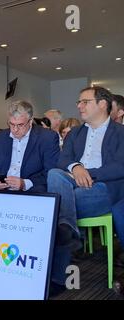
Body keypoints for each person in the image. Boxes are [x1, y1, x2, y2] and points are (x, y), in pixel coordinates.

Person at [47, 86, 124, 296]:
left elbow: (120, 166)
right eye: (78, 102)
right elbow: (62, 160)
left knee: (58, 206)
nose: (79, 106)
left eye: (85, 101)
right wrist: (76, 168)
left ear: (102, 104)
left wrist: (87, 173)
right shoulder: (75, 133)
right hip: (71, 184)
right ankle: (70, 233)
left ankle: (58, 270)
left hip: (103, 189)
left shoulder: (120, 133)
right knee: (54, 174)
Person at [0, 100, 59, 193]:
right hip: (2, 190)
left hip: (31, 189)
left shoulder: (47, 138)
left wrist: (24, 183)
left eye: (20, 125)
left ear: (30, 121)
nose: (15, 130)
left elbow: (50, 172)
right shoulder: (1, 137)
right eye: (11, 124)